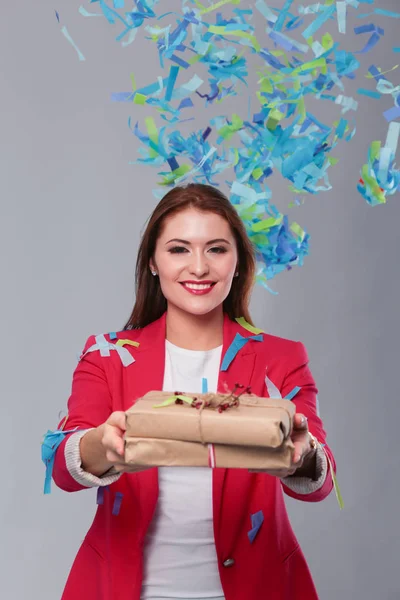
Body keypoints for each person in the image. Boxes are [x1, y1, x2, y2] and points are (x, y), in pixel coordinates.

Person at [50, 183, 335, 600]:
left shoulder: (282, 358)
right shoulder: (106, 355)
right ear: (152, 261)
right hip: (125, 588)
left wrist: (302, 455)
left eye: (216, 249)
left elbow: (321, 477)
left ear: (238, 262)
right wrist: (100, 445)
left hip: (257, 587)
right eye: (179, 249)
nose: (198, 267)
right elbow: (63, 464)